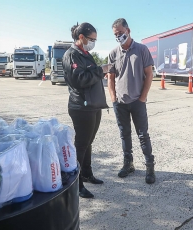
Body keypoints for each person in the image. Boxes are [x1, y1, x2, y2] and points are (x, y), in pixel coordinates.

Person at [62, 22, 109, 198]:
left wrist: (102, 70)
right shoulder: (71, 55)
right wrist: (100, 70)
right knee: (81, 145)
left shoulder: (85, 54)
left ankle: (87, 174)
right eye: (91, 39)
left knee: (88, 142)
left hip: (93, 106)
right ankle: (77, 183)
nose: (93, 42)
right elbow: (79, 79)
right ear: (81, 37)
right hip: (81, 107)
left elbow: (91, 75)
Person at [106, 18, 156, 184]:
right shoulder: (113, 53)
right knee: (124, 134)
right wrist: (113, 98)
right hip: (120, 103)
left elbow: (149, 74)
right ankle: (128, 164)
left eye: (120, 33)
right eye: (116, 34)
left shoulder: (141, 50)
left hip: (137, 101)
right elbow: (110, 78)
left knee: (143, 135)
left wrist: (142, 98)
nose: (118, 36)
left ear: (128, 31)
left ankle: (150, 167)